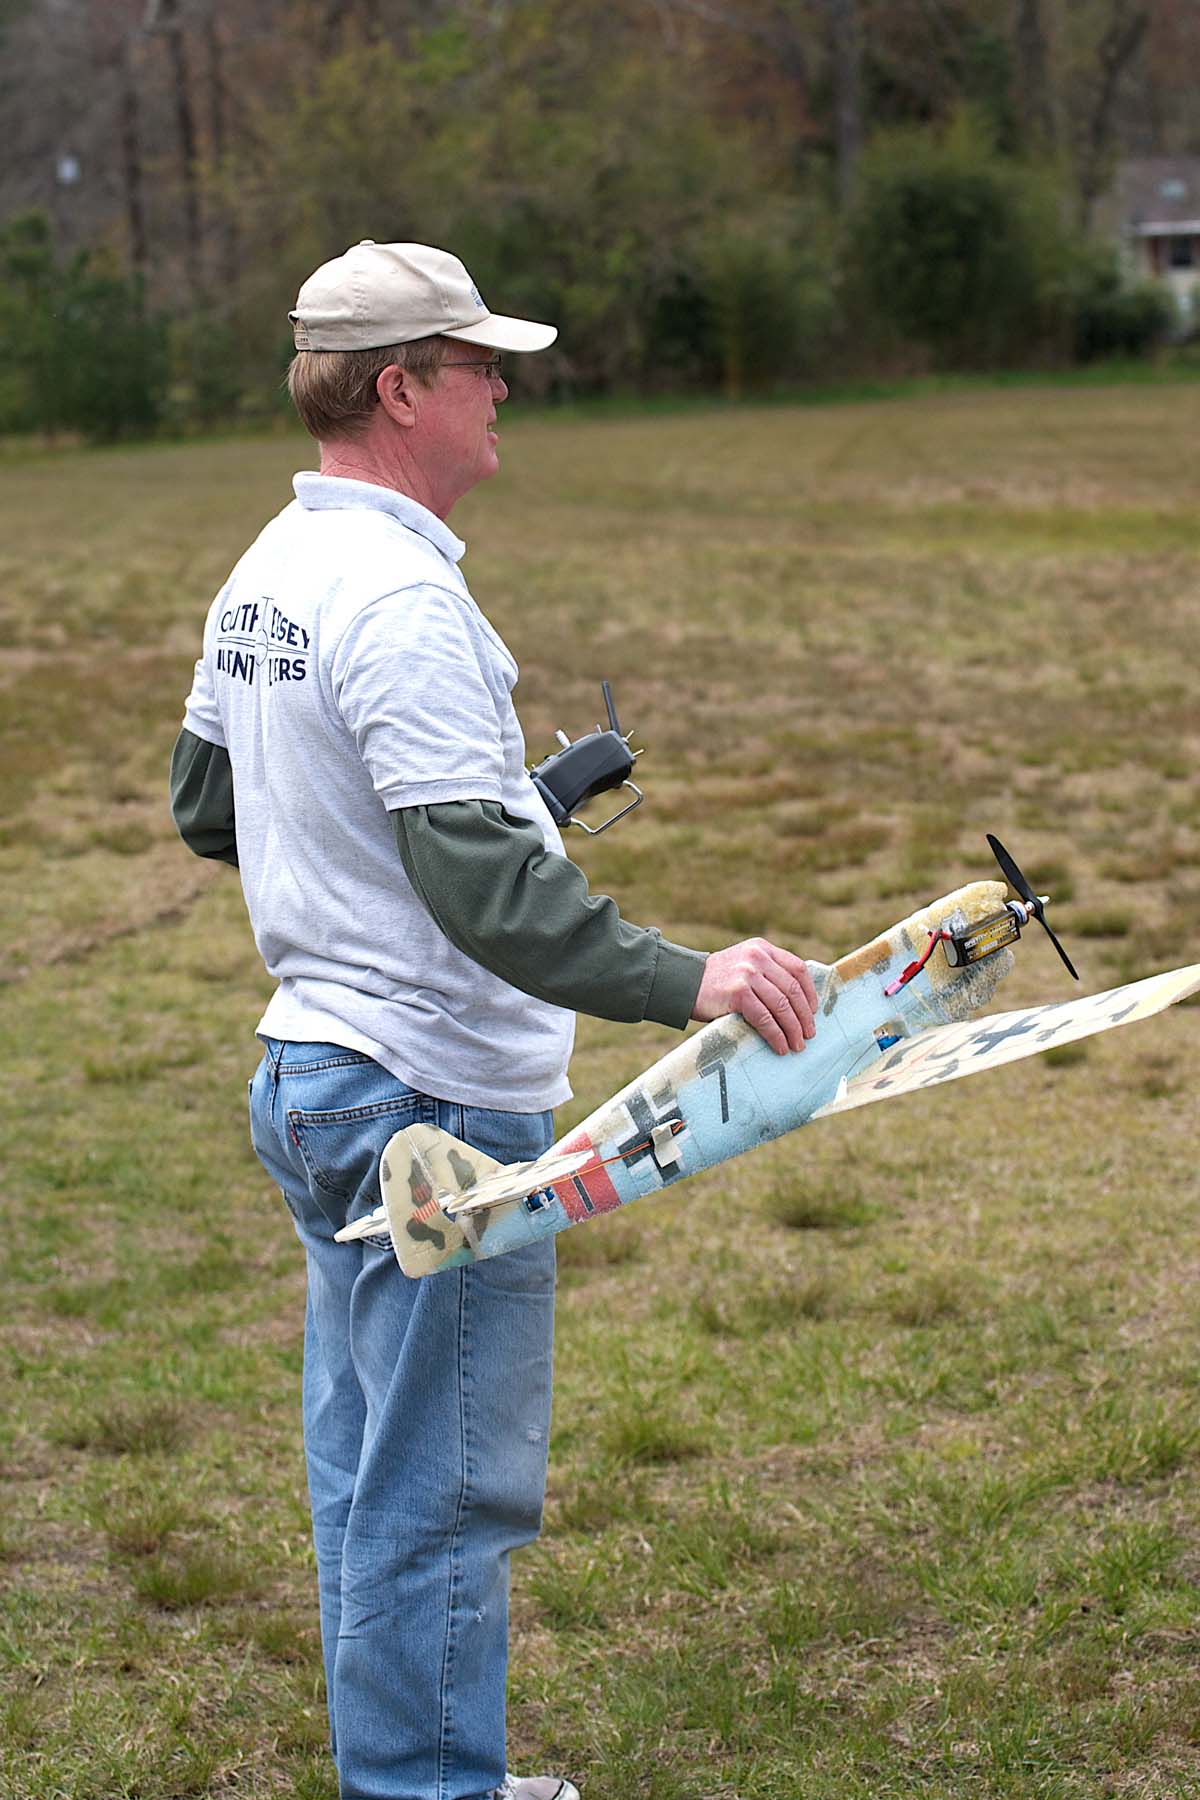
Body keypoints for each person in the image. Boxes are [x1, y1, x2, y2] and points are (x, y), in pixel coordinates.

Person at [170, 240, 818, 1800]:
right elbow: (489, 897)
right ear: (402, 390)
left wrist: (414, 826)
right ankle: (431, 1790)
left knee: (369, 1469)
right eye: (479, 367)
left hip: (317, 1078)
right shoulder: (400, 597)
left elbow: (209, 803)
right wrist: (695, 978)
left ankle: (413, 1772)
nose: (505, 388)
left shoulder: (270, 566)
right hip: (431, 1103)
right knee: (445, 1489)